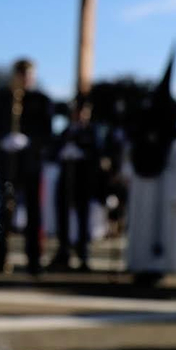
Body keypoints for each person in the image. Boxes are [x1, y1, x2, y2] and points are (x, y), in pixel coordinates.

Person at [126, 51, 176, 282]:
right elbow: (132, 156)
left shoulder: (172, 138)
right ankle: (140, 265)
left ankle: (156, 266)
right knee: (141, 225)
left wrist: (174, 193)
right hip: (143, 185)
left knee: (159, 229)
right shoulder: (141, 133)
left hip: (162, 189)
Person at [0, 58, 53, 275]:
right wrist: (1, 142)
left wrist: (29, 142)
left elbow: (47, 135)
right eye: (21, 74)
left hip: (31, 164)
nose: (25, 79)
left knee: (34, 213)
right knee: (3, 212)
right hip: (7, 164)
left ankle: (34, 261)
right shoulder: (2, 99)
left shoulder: (42, 101)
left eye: (29, 74)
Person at [48, 99, 104, 271]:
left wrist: (82, 152)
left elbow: (97, 153)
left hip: (82, 178)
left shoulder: (92, 131)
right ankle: (63, 252)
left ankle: (83, 254)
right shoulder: (65, 131)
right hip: (66, 176)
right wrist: (62, 152)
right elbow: (53, 150)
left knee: (83, 218)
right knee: (63, 216)